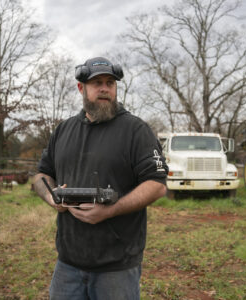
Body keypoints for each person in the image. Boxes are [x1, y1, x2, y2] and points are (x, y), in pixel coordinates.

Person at [32, 57, 168, 300]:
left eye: (110, 83)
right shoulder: (63, 130)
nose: (105, 88)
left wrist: (111, 210)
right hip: (68, 264)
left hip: (117, 265)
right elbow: (41, 175)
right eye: (97, 83)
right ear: (81, 88)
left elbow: (157, 185)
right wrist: (52, 197)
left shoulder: (136, 131)